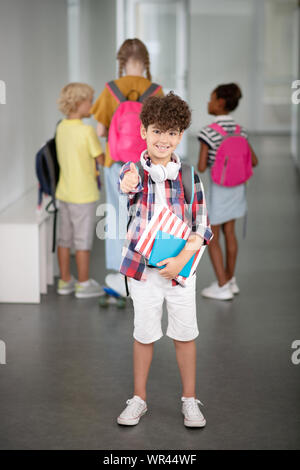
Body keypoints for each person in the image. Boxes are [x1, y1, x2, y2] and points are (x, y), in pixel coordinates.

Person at [117, 92, 213, 428]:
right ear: (144, 130)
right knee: (144, 334)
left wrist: (181, 260)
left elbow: (202, 227)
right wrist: (129, 181)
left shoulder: (189, 177)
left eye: (172, 133)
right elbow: (126, 184)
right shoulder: (133, 172)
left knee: (184, 334)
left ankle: (190, 399)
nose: (164, 139)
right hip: (142, 271)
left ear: (180, 136)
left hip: (181, 271)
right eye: (157, 131)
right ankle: (138, 398)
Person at [91, 38, 163, 296]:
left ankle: (120, 278)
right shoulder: (156, 91)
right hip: (147, 164)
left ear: (121, 62)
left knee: (117, 215)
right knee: (146, 215)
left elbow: (100, 130)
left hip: (117, 164)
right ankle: (145, 271)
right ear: (146, 62)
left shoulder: (111, 89)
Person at [198, 83, 258, 300]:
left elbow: (202, 166)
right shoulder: (241, 130)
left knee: (212, 236)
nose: (208, 102)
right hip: (238, 188)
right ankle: (230, 280)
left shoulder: (208, 132)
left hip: (220, 189)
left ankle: (221, 285)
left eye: (211, 98)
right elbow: (254, 160)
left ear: (220, 103)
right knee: (230, 233)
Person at [55, 83, 105, 298]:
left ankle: (65, 281)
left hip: (63, 192)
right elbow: (101, 160)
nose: (92, 105)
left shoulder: (61, 127)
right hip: (83, 195)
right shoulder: (87, 131)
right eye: (90, 101)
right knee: (82, 241)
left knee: (64, 239)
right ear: (79, 103)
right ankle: (83, 284)